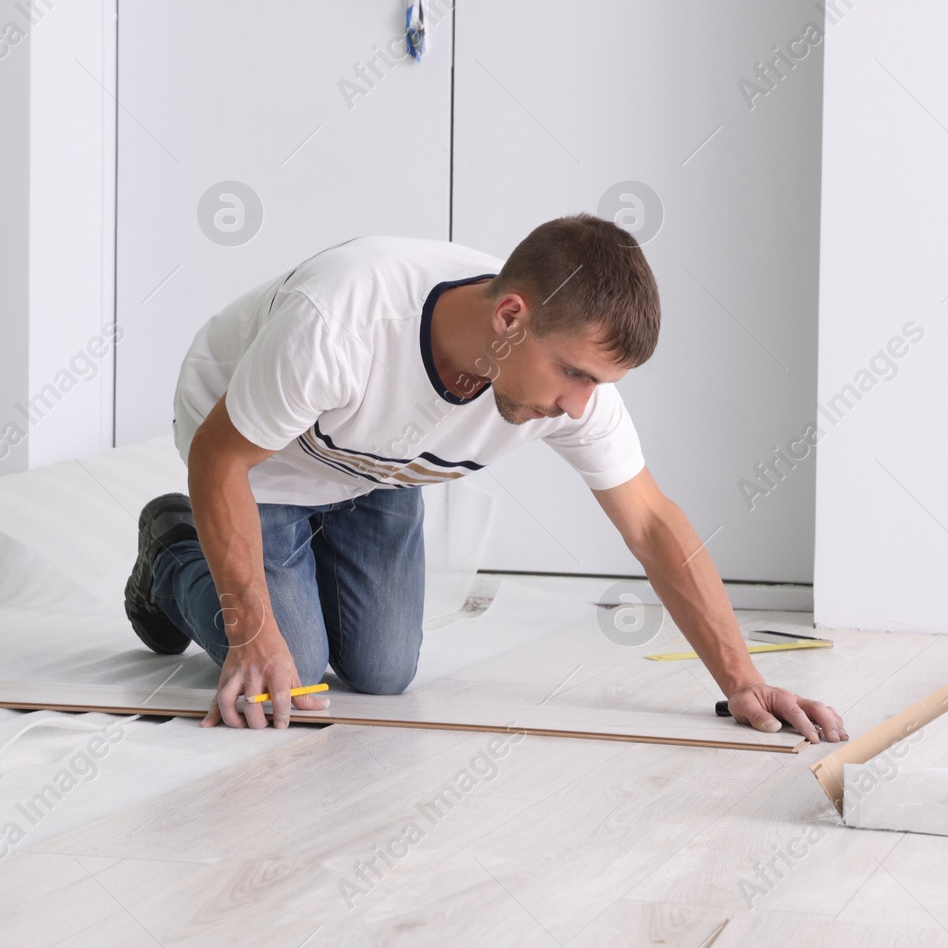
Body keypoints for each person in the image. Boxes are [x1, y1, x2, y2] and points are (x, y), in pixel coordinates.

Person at [124, 214, 847, 742]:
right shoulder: (343, 321)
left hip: (374, 464)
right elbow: (220, 457)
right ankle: (171, 548)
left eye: (596, 384)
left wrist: (744, 683)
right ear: (510, 315)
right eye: (574, 375)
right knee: (295, 672)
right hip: (262, 454)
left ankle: (288, 569)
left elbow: (653, 521)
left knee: (381, 673)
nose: (576, 405)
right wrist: (252, 630)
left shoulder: (564, 379)